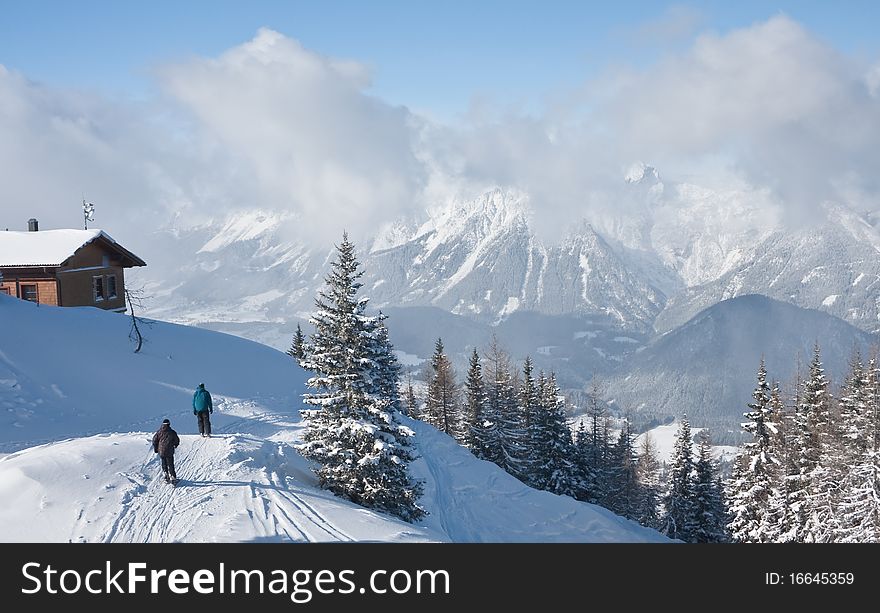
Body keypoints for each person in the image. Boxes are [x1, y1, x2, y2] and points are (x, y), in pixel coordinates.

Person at [152, 418, 180, 484]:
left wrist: (156, 449)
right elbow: (177, 440)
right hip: (169, 451)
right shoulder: (172, 432)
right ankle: (173, 477)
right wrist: (175, 445)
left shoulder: (159, 432)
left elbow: (154, 441)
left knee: (164, 463)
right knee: (170, 464)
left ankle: (166, 475)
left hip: (161, 451)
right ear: (169, 424)